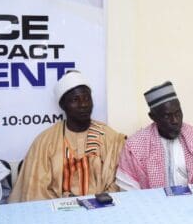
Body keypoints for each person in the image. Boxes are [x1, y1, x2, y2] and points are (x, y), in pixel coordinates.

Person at [9, 70, 126, 202]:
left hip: (102, 208)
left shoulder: (109, 137)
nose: (83, 104)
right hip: (59, 212)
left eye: (87, 98)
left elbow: (118, 182)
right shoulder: (45, 142)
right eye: (75, 100)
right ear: (63, 105)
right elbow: (36, 190)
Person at [116, 81, 193, 190]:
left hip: (192, 203)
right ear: (153, 117)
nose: (175, 121)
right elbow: (129, 191)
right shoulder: (135, 145)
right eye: (167, 116)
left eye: (178, 113)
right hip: (151, 205)